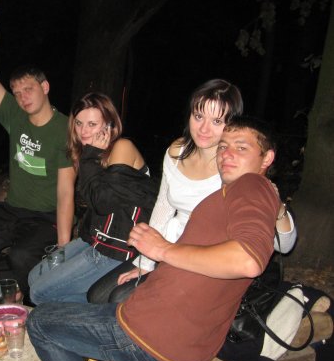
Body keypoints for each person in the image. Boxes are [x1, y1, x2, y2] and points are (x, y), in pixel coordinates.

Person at [28, 116, 282, 361]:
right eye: (223, 146)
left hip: (150, 336)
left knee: (40, 321)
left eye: (241, 147)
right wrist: (149, 263)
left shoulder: (252, 186)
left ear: (267, 158)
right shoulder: (237, 194)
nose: (227, 154)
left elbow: (248, 260)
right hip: (184, 340)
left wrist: (162, 249)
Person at [88, 79, 297, 304]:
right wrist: (146, 262)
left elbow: (281, 245)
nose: (204, 129)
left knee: (120, 299)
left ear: (232, 124)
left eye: (216, 121)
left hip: (200, 260)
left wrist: (278, 208)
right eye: (198, 116)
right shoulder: (177, 151)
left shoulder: (235, 169)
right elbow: (164, 206)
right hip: (166, 244)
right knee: (97, 296)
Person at [0, 3, 76, 304]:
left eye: (28, 89)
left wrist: (64, 244)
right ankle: (13, 286)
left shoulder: (65, 129)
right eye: (17, 93)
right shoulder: (15, 115)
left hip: (45, 216)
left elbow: (66, 191)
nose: (22, 97)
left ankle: (33, 301)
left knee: (22, 255)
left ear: (45, 87)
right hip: (12, 209)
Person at [27, 92, 157, 304]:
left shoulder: (122, 147)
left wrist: (88, 158)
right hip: (95, 240)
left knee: (38, 294)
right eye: (79, 123)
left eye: (92, 124)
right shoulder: (92, 153)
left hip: (117, 248)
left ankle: (101, 307)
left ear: (110, 125)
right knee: (34, 277)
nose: (83, 131)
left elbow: (101, 202)